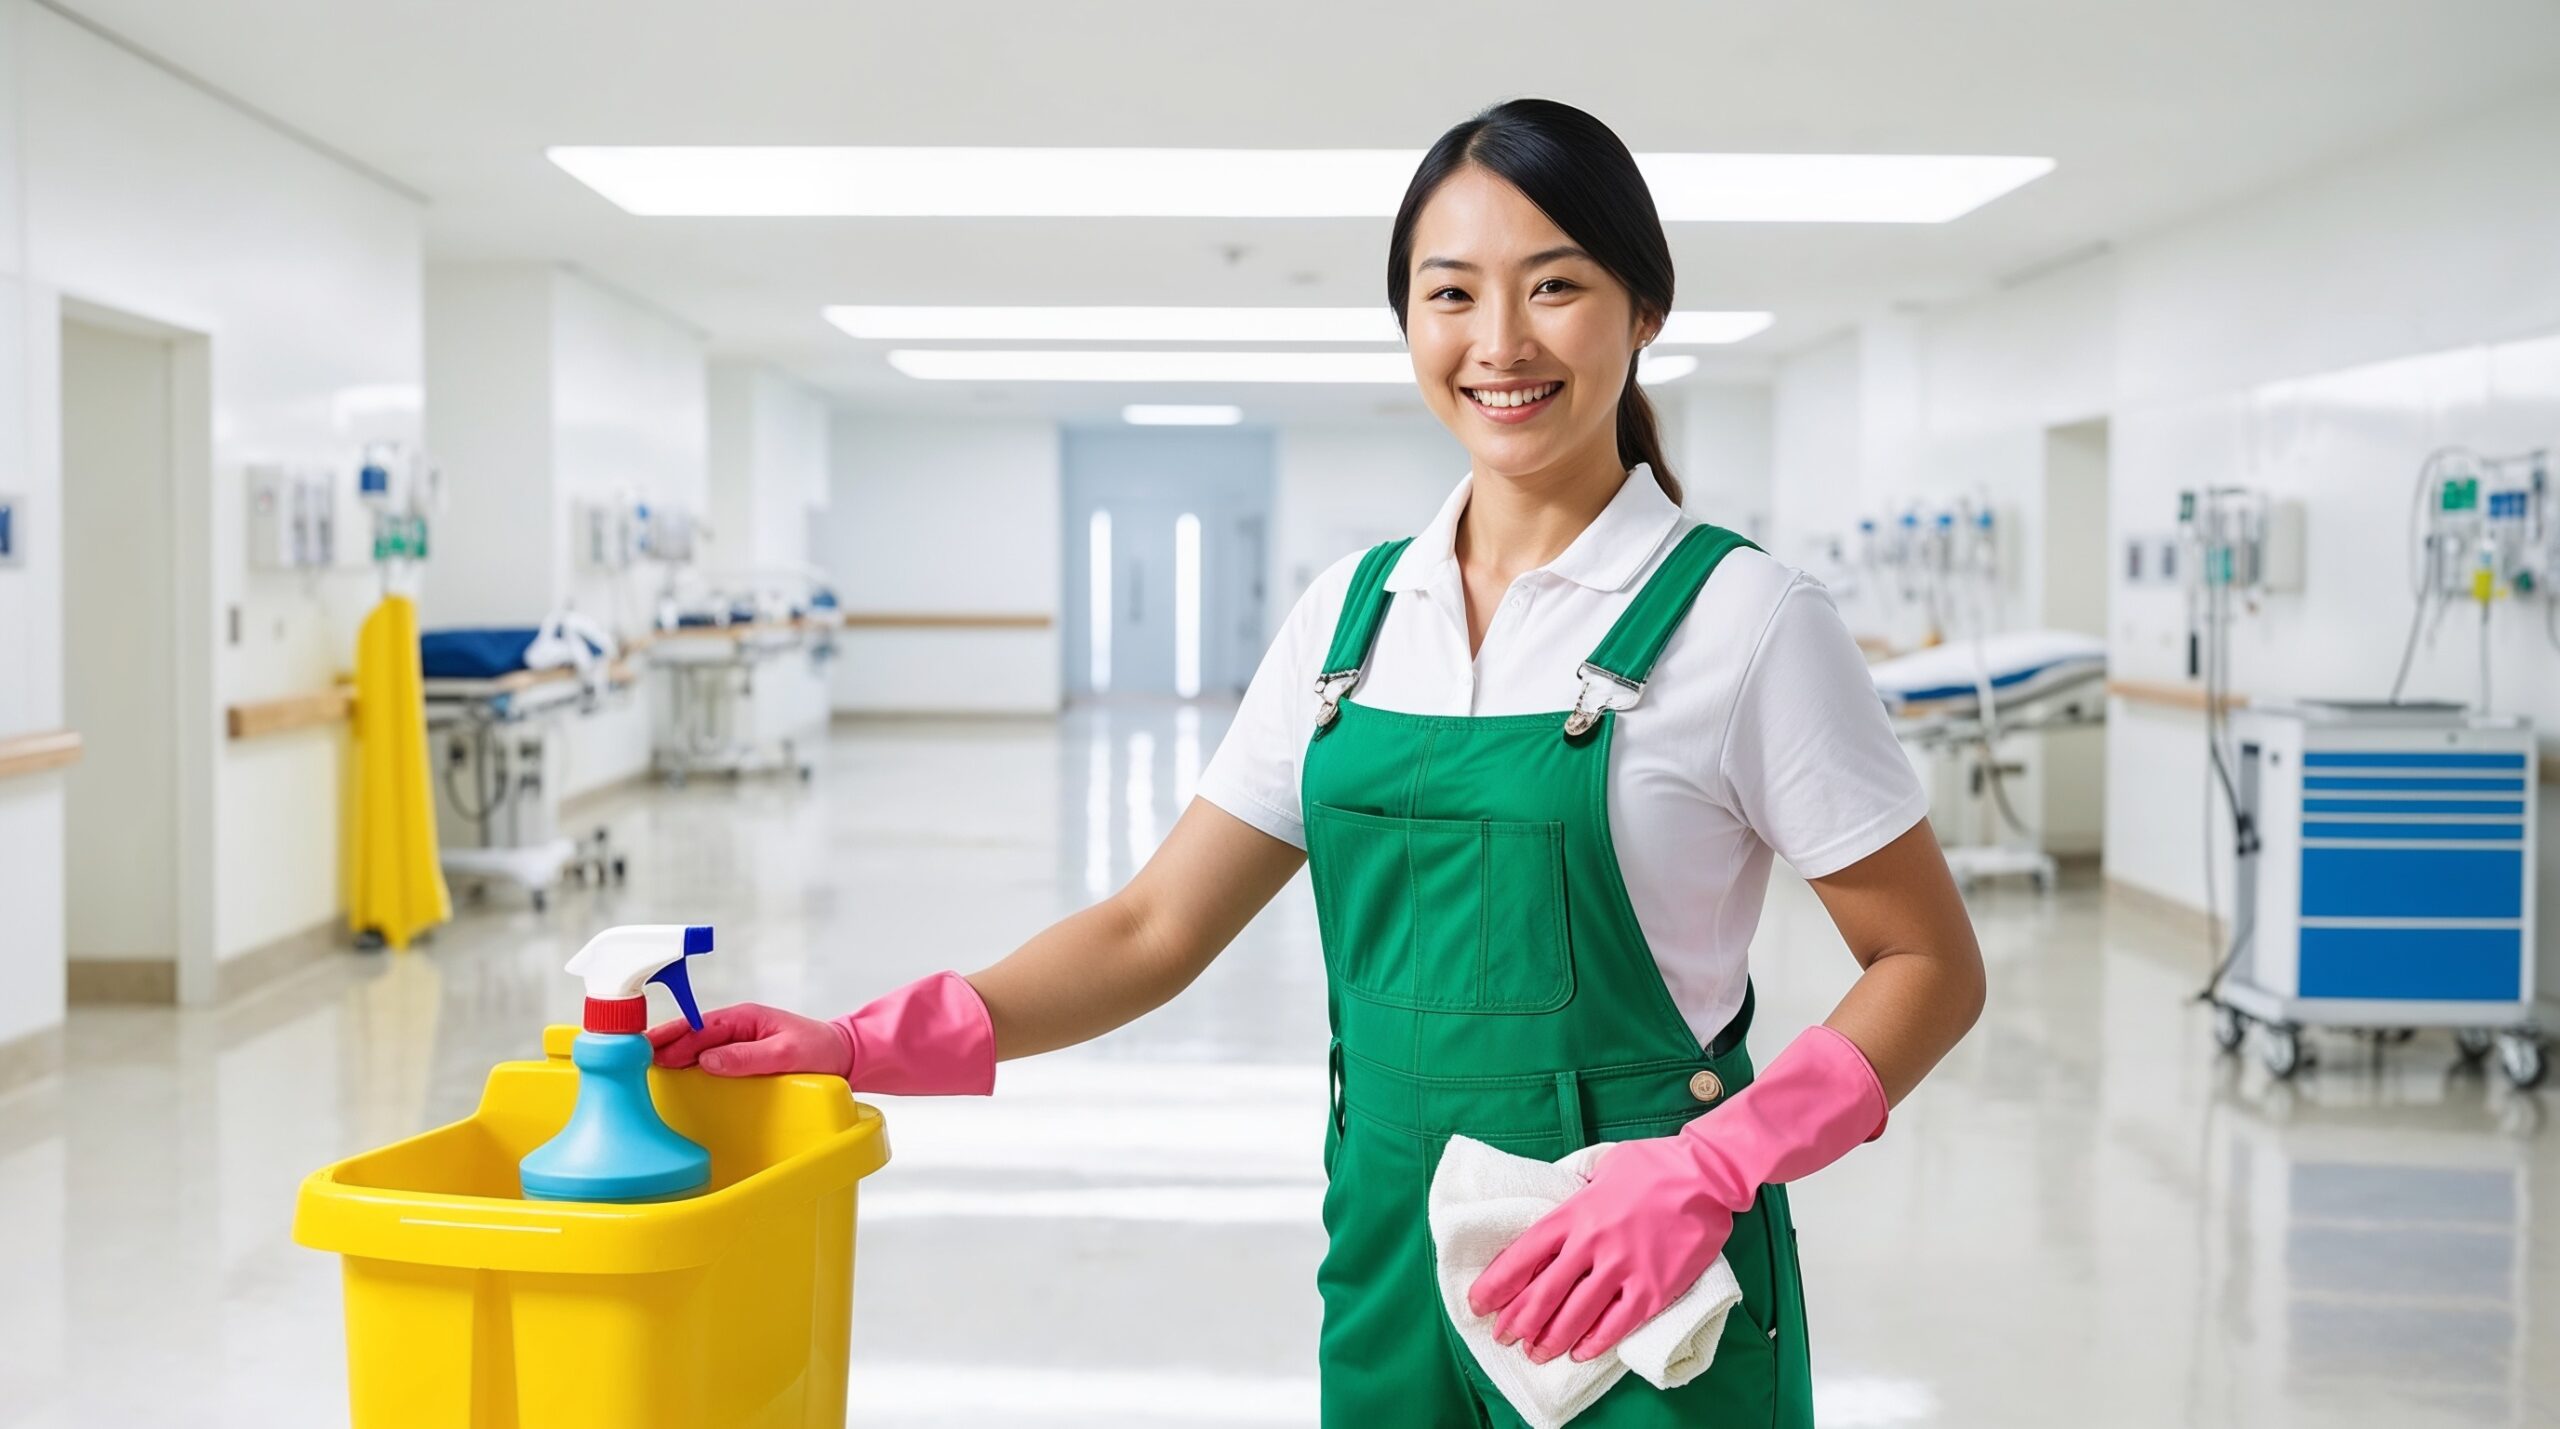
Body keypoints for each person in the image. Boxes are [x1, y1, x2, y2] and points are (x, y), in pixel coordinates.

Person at [650, 97, 1985, 1428]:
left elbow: (1929, 965)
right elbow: (1151, 925)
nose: (1500, 343)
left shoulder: (1746, 620)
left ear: (1643, 311)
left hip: (1644, 1285)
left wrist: (1713, 1166)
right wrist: (858, 1040)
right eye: (1449, 293)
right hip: (1391, 1263)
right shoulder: (1353, 623)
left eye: (1556, 286)